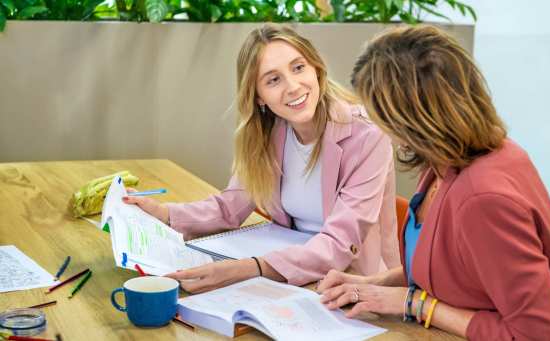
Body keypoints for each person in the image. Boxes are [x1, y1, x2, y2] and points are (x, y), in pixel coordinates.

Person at [318, 25, 550, 341]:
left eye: (378, 115)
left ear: (411, 119)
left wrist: (414, 303)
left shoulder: (484, 197)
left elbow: (540, 334)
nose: (373, 123)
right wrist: (375, 284)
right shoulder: (448, 160)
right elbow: (455, 267)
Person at [123, 23, 400, 292]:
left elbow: (341, 243)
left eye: (298, 67)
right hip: (288, 276)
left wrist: (249, 268)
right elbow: (230, 207)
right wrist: (164, 214)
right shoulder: (269, 133)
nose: (292, 86)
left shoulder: (368, 136)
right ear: (259, 97)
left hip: (354, 284)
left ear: (317, 69)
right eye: (273, 79)